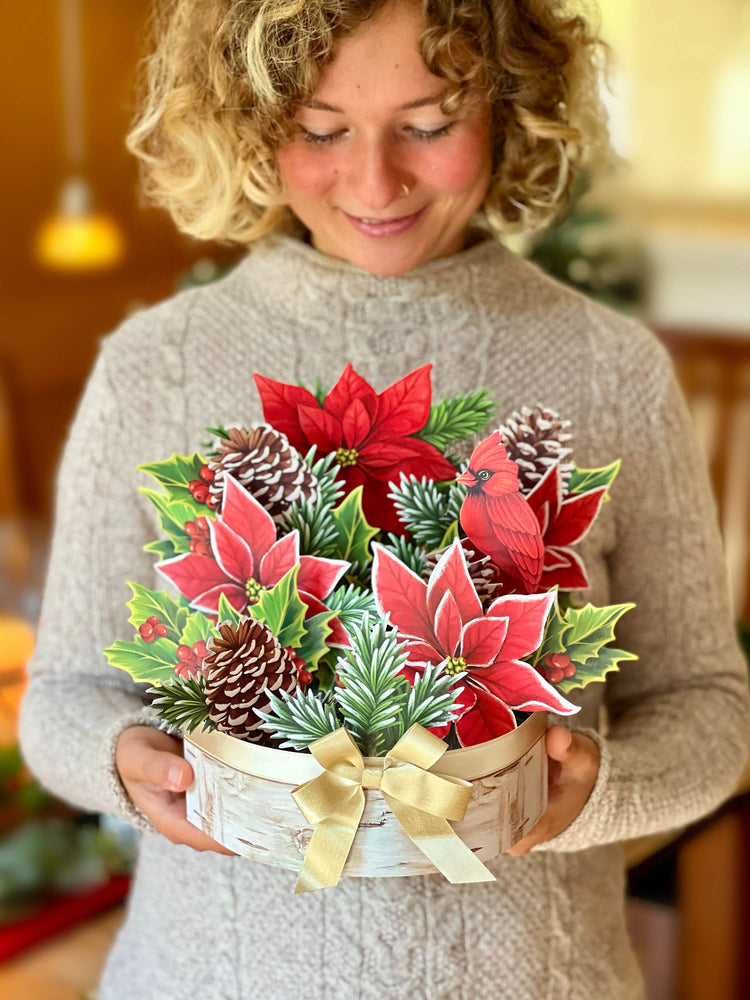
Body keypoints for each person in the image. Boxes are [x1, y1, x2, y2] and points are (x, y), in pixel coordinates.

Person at [20, 1, 749, 997]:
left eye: (430, 122)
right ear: (253, 122)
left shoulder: (609, 369)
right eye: (321, 131)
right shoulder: (156, 368)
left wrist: (595, 789)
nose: (375, 182)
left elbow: (712, 708)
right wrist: (125, 763)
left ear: (506, 103)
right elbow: (60, 694)